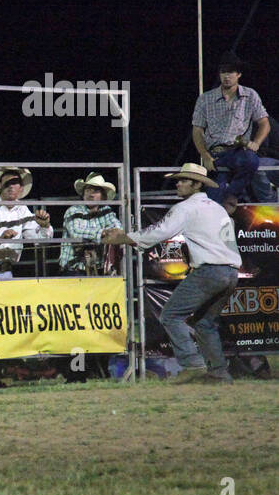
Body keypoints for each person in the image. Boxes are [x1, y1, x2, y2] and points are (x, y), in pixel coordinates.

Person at [102, 162, 240, 384]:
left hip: (210, 270)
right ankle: (219, 373)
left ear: (196, 184)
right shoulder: (216, 207)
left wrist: (124, 237)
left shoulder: (186, 208)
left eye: (183, 180)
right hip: (231, 272)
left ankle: (192, 364)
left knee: (170, 315)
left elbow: (160, 231)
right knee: (205, 323)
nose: (178, 183)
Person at [191, 51, 270, 204]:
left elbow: (264, 123)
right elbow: (197, 130)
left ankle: (231, 195)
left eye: (231, 72)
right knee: (214, 197)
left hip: (238, 151)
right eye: (223, 72)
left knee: (251, 161)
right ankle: (222, 202)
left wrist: (257, 143)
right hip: (215, 154)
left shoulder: (250, 95)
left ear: (238, 74)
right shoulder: (205, 99)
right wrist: (205, 155)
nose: (226, 76)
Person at [0, 166, 52, 280]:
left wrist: (44, 226)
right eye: (7, 183)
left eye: (15, 183)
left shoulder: (22, 209)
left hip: (6, 271)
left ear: (21, 188)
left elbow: (38, 241)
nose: (11, 186)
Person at [58, 172, 121, 275]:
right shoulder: (73, 210)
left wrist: (110, 232)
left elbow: (116, 228)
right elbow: (76, 233)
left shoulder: (106, 211)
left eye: (95, 191)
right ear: (83, 195)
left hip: (98, 269)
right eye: (87, 190)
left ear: (103, 197)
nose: (90, 194)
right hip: (73, 270)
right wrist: (103, 233)